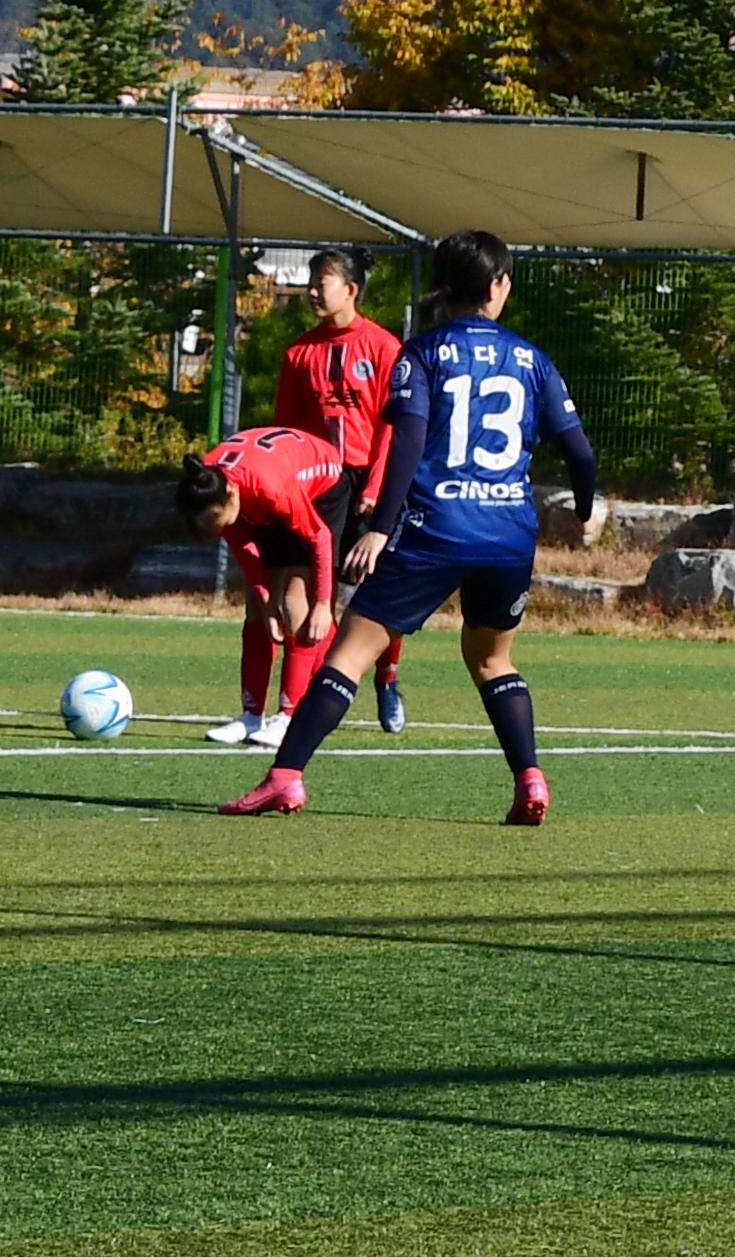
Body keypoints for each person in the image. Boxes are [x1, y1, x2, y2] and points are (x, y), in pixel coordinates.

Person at [221, 229, 594, 826]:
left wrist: (380, 526)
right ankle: (530, 779)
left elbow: (409, 442)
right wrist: (583, 505)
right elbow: (580, 451)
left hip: (435, 527)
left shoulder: (420, 353)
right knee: (493, 660)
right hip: (509, 534)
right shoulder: (533, 359)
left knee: (349, 652)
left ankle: (284, 777)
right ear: (499, 286)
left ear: (445, 288)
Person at [216, 245, 407, 746]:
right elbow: (287, 429)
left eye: (321, 282)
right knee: (282, 597)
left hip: (366, 481)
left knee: (380, 597)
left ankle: (387, 676)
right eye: (310, 281)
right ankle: (264, 713)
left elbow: (393, 424)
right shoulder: (299, 353)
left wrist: (376, 485)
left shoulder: (385, 348)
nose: (311, 291)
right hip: (314, 486)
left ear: (351, 289)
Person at [178, 421, 359, 765]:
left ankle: (290, 716)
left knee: (295, 602)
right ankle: (251, 715)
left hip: (321, 490)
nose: (209, 528)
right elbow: (246, 547)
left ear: (230, 497)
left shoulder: (268, 489)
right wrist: (264, 597)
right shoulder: (215, 485)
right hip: (271, 491)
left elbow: (319, 538)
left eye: (212, 519)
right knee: (256, 608)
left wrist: (322, 604)